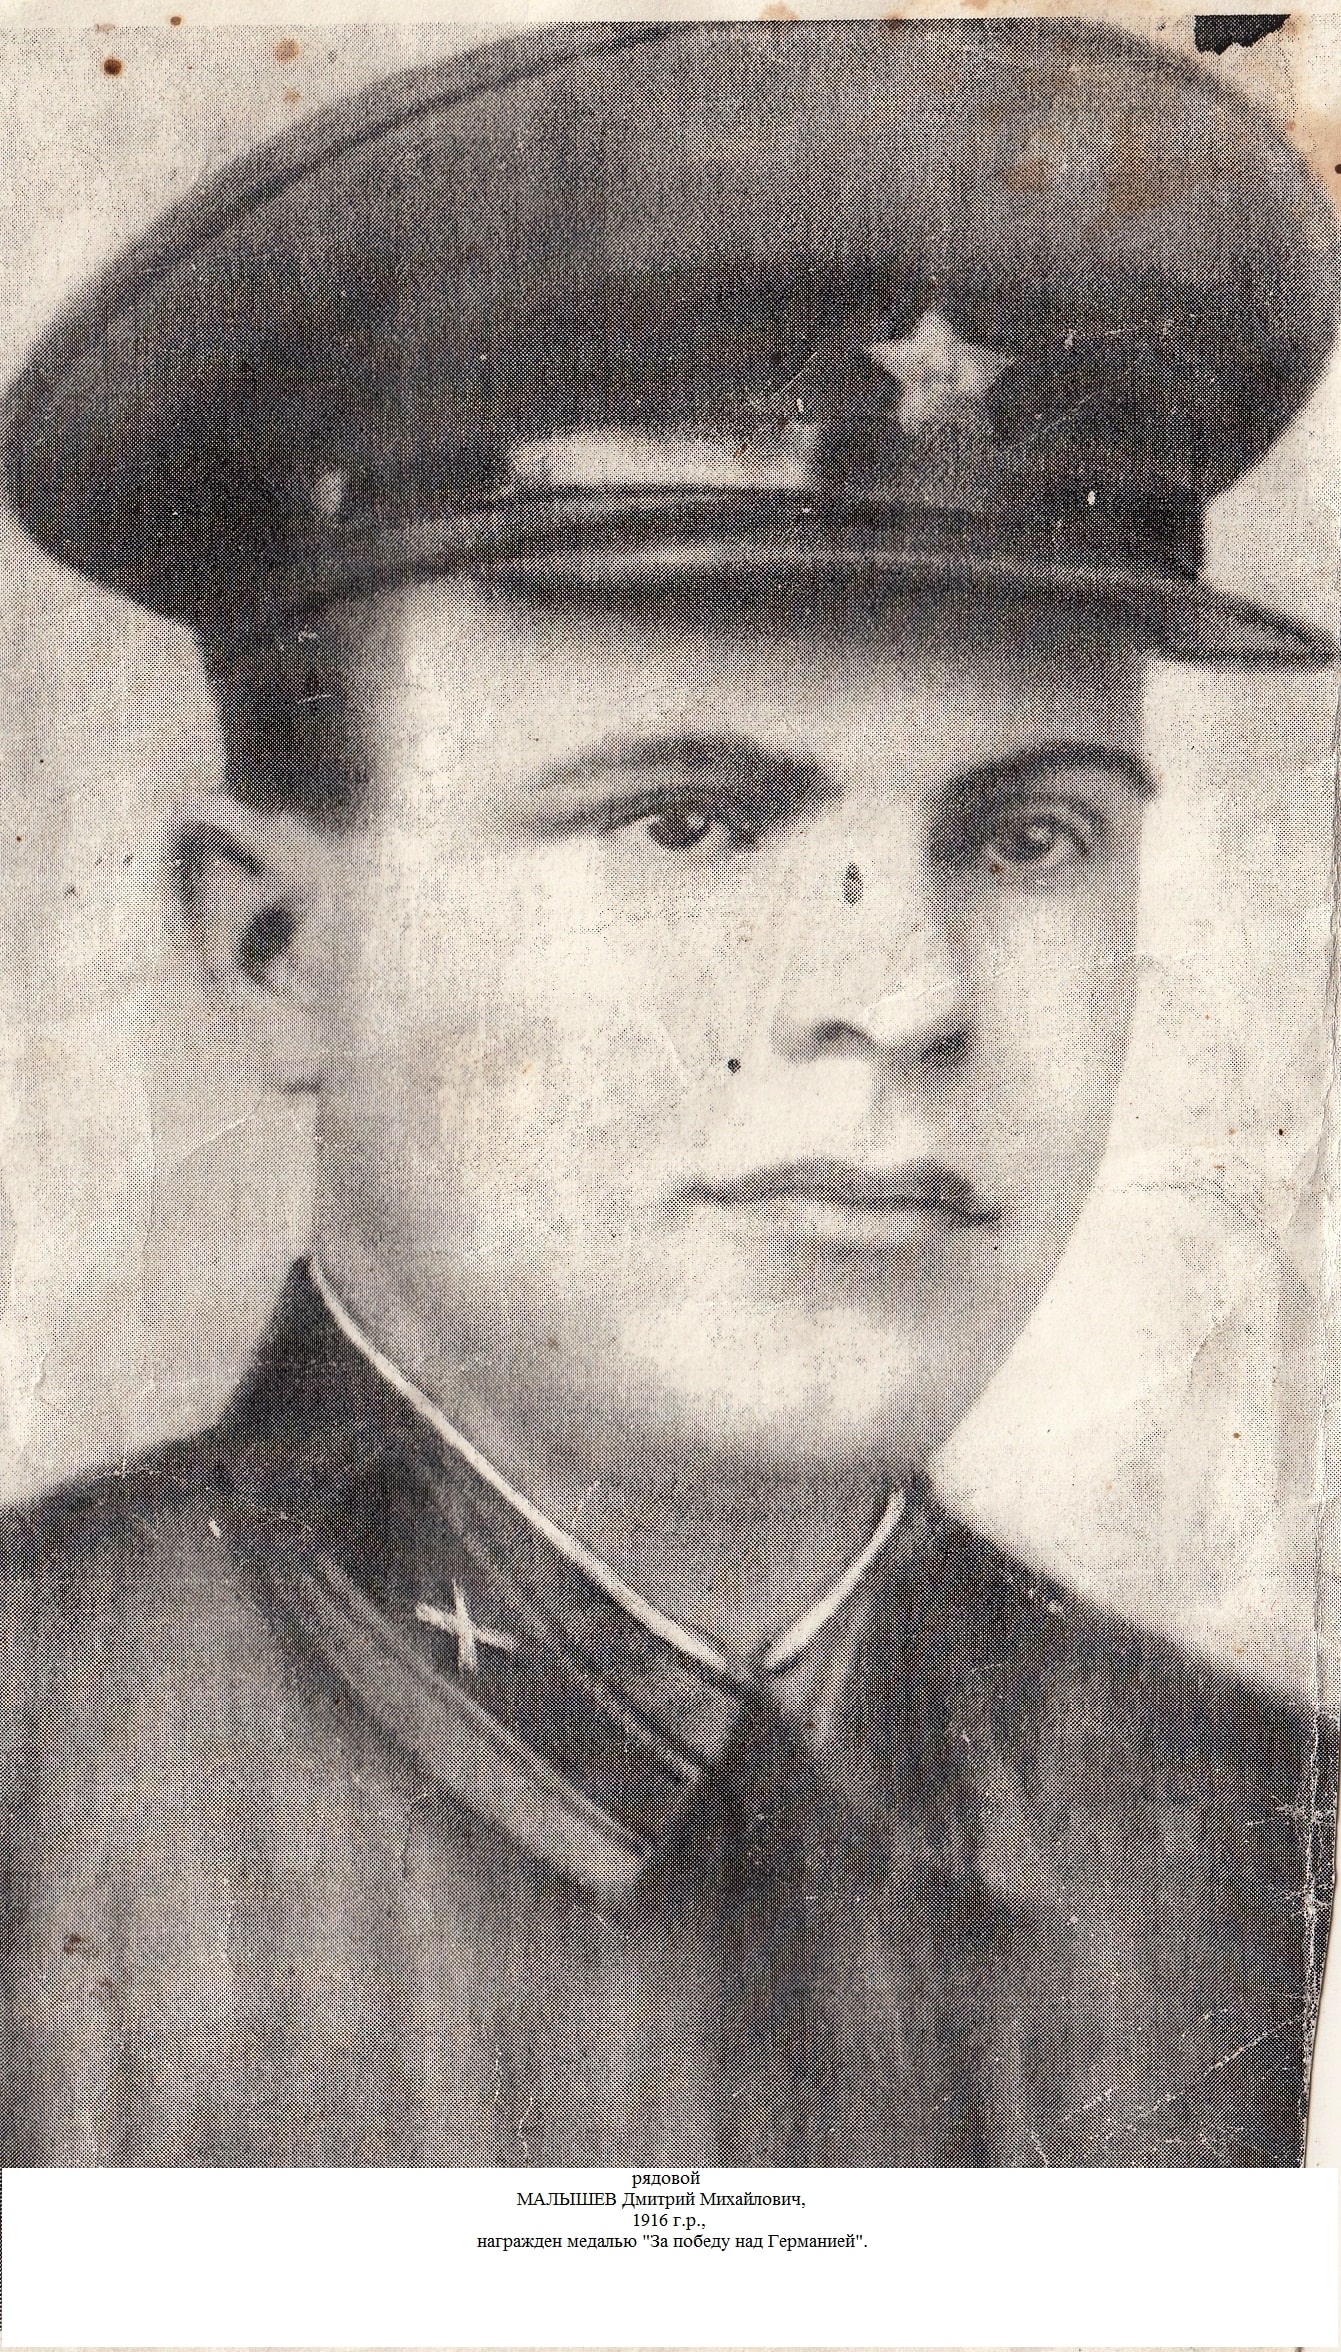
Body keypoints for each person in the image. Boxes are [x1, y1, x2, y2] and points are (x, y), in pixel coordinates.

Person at [1, 19, 1336, 2167]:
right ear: (278, 948)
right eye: (688, 822)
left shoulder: (1270, 1851)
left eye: (1024, 837)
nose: (902, 997)